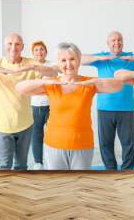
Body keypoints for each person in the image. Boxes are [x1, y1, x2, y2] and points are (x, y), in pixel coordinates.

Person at [16, 42, 124, 170]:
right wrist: (46, 80)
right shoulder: (52, 84)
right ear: (58, 63)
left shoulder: (88, 83)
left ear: (78, 61)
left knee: (79, 186)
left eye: (72, 59)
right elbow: (20, 88)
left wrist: (94, 81)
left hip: (82, 145)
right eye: (63, 60)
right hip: (55, 144)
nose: (68, 64)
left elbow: (119, 85)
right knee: (58, 186)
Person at [0, 33, 57, 170]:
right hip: (2, 126)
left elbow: (53, 73)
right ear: (5, 45)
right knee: (4, 166)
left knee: (21, 166)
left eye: (17, 44)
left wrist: (33, 67)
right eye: (10, 43)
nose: (13, 47)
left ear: (22, 47)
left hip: (25, 125)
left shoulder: (30, 63)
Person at [81, 31, 134, 170]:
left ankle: (127, 171)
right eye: (113, 40)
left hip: (126, 108)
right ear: (108, 44)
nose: (116, 43)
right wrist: (99, 58)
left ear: (122, 42)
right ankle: (110, 170)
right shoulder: (101, 58)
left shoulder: (130, 59)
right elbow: (80, 58)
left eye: (119, 40)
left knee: (128, 143)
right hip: (104, 108)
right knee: (105, 143)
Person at [30, 41, 56, 170]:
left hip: (51, 105)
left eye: (41, 49)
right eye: (36, 50)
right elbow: (30, 86)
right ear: (33, 53)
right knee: (37, 135)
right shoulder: (29, 66)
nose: (39, 52)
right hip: (35, 106)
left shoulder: (51, 65)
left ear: (46, 51)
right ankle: (38, 162)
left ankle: (51, 159)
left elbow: (53, 74)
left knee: (52, 134)